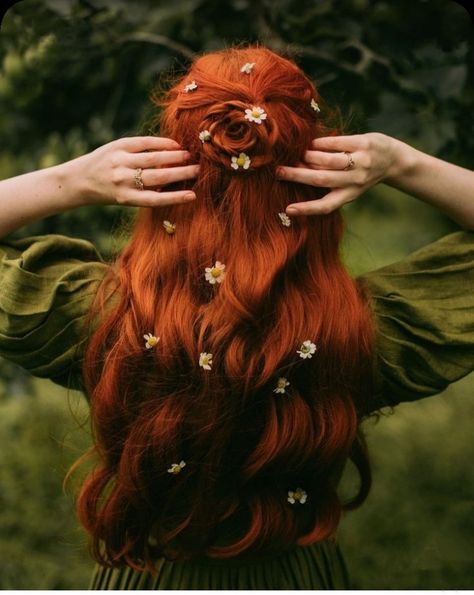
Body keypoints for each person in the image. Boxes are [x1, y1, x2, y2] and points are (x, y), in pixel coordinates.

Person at [0, 45, 473, 590]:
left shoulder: (105, 321)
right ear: (316, 174)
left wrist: (71, 180)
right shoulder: (358, 333)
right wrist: (404, 164)